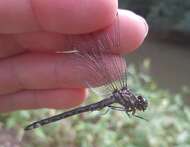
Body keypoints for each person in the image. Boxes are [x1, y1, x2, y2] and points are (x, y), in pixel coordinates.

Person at [0, 0, 148, 113]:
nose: (138, 102)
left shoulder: (128, 101)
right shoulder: (128, 99)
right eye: (140, 102)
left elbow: (123, 109)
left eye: (140, 102)